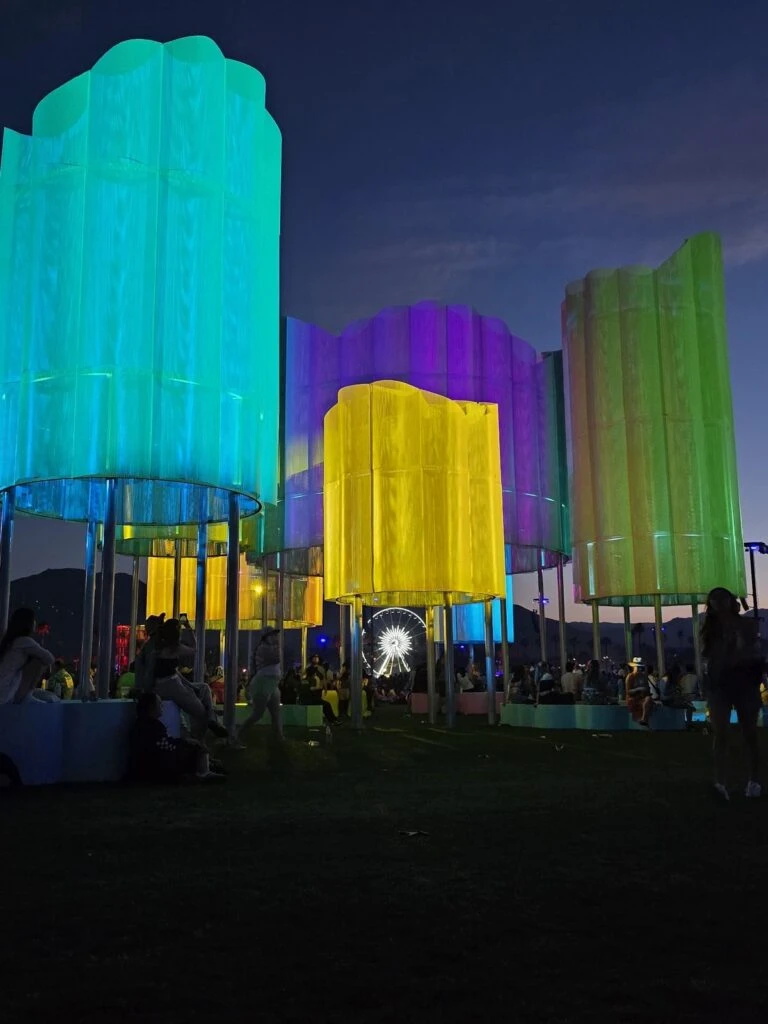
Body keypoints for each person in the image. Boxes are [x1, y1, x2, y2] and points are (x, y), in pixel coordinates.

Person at [701, 587, 764, 800]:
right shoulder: (711, 628)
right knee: (722, 733)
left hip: (743, 682)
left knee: (749, 733)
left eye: (721, 599)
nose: (719, 603)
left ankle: (753, 780)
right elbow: (710, 655)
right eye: (715, 600)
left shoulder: (744, 625)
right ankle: (721, 782)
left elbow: (753, 652)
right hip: (722, 684)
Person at [153, 618, 228, 740]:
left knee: (203, 687)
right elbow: (194, 648)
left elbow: (173, 672)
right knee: (201, 713)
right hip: (173, 687)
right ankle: (203, 735)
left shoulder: (159, 647)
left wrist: (191, 686)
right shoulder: (175, 648)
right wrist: (188, 628)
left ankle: (211, 719)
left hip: (167, 684)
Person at [127, 692, 223, 784]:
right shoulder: (151, 727)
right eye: (159, 704)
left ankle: (206, 767)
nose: (162, 707)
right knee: (196, 749)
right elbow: (166, 745)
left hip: (151, 766)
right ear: (152, 707)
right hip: (156, 767)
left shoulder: (143, 724)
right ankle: (203, 773)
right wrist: (184, 743)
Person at [231, 628, 283, 745]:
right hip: (263, 683)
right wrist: (278, 644)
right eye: (273, 635)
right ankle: (236, 735)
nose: (276, 637)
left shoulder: (269, 647)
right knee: (257, 714)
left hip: (271, 683)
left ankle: (279, 738)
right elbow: (276, 658)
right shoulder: (263, 649)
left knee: (276, 712)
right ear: (266, 637)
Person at [0, 608, 56, 704]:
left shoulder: (7, 641)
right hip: (5, 694)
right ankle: (27, 695)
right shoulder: (24, 641)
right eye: (33, 620)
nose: (35, 622)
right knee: (38, 660)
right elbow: (50, 658)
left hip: (3, 689)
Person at [134, 614, 164, 694]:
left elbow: (148, 668)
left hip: (150, 689)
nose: (146, 628)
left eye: (147, 625)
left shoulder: (150, 645)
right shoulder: (153, 644)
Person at [625, 658, 653, 727]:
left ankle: (644, 719)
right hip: (633, 698)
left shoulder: (644, 677)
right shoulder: (630, 677)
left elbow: (647, 689)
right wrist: (638, 689)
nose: (638, 668)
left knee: (648, 700)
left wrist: (645, 691)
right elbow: (628, 691)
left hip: (642, 697)